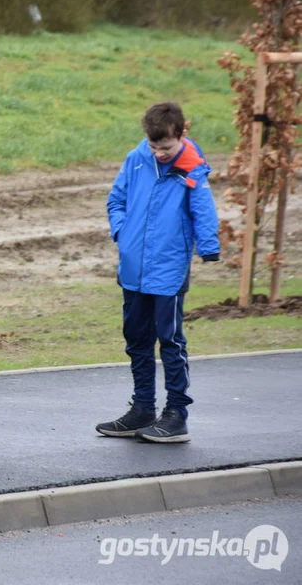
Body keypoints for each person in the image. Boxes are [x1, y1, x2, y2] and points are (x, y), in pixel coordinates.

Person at [97, 102, 219, 444]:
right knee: (136, 340)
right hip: (133, 267)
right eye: (154, 147)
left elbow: (203, 211)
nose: (159, 153)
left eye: (165, 147)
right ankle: (142, 409)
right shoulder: (137, 159)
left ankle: (176, 414)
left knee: (170, 341)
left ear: (181, 134)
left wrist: (208, 246)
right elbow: (116, 200)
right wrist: (122, 232)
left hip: (168, 269)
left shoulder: (191, 169)